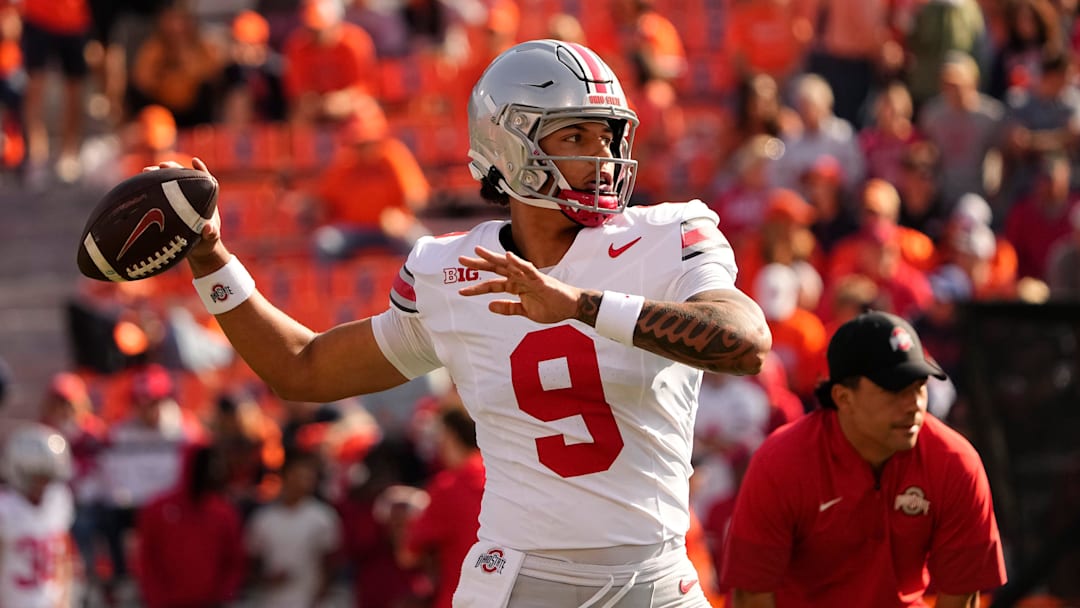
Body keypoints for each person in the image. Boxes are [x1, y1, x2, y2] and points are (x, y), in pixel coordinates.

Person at [167, 38, 770, 607]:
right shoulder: (450, 271)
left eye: (610, 136)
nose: (604, 157)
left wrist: (582, 306)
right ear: (511, 146)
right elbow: (303, 370)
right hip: (520, 578)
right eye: (577, 135)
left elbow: (745, 344)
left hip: (655, 575)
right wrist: (211, 260)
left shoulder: (666, 236)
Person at [720, 311, 1007, 607]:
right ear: (844, 398)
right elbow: (751, 594)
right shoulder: (781, 461)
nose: (914, 405)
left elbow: (962, 594)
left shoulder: (954, 461)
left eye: (919, 386)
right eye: (895, 390)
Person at [135, 444, 246, 608]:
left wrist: (223, 594)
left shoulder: (224, 513)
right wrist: (156, 598)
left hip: (210, 602)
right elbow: (146, 558)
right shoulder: (157, 509)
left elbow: (234, 559)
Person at [397, 404, 485, 608]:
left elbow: (407, 555)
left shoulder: (447, 487)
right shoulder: (502, 477)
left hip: (461, 600)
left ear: (450, 435)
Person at [245, 450, 342, 608]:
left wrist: (322, 592)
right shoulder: (263, 518)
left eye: (308, 477)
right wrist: (265, 578)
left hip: (309, 600)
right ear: (285, 477)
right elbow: (253, 561)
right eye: (297, 475)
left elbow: (331, 561)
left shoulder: (323, 517)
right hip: (271, 600)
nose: (303, 482)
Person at [0, 423, 75, 608]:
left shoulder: (59, 499)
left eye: (47, 476)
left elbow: (63, 556)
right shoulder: (5, 508)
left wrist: (64, 600)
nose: (43, 484)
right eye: (36, 476)